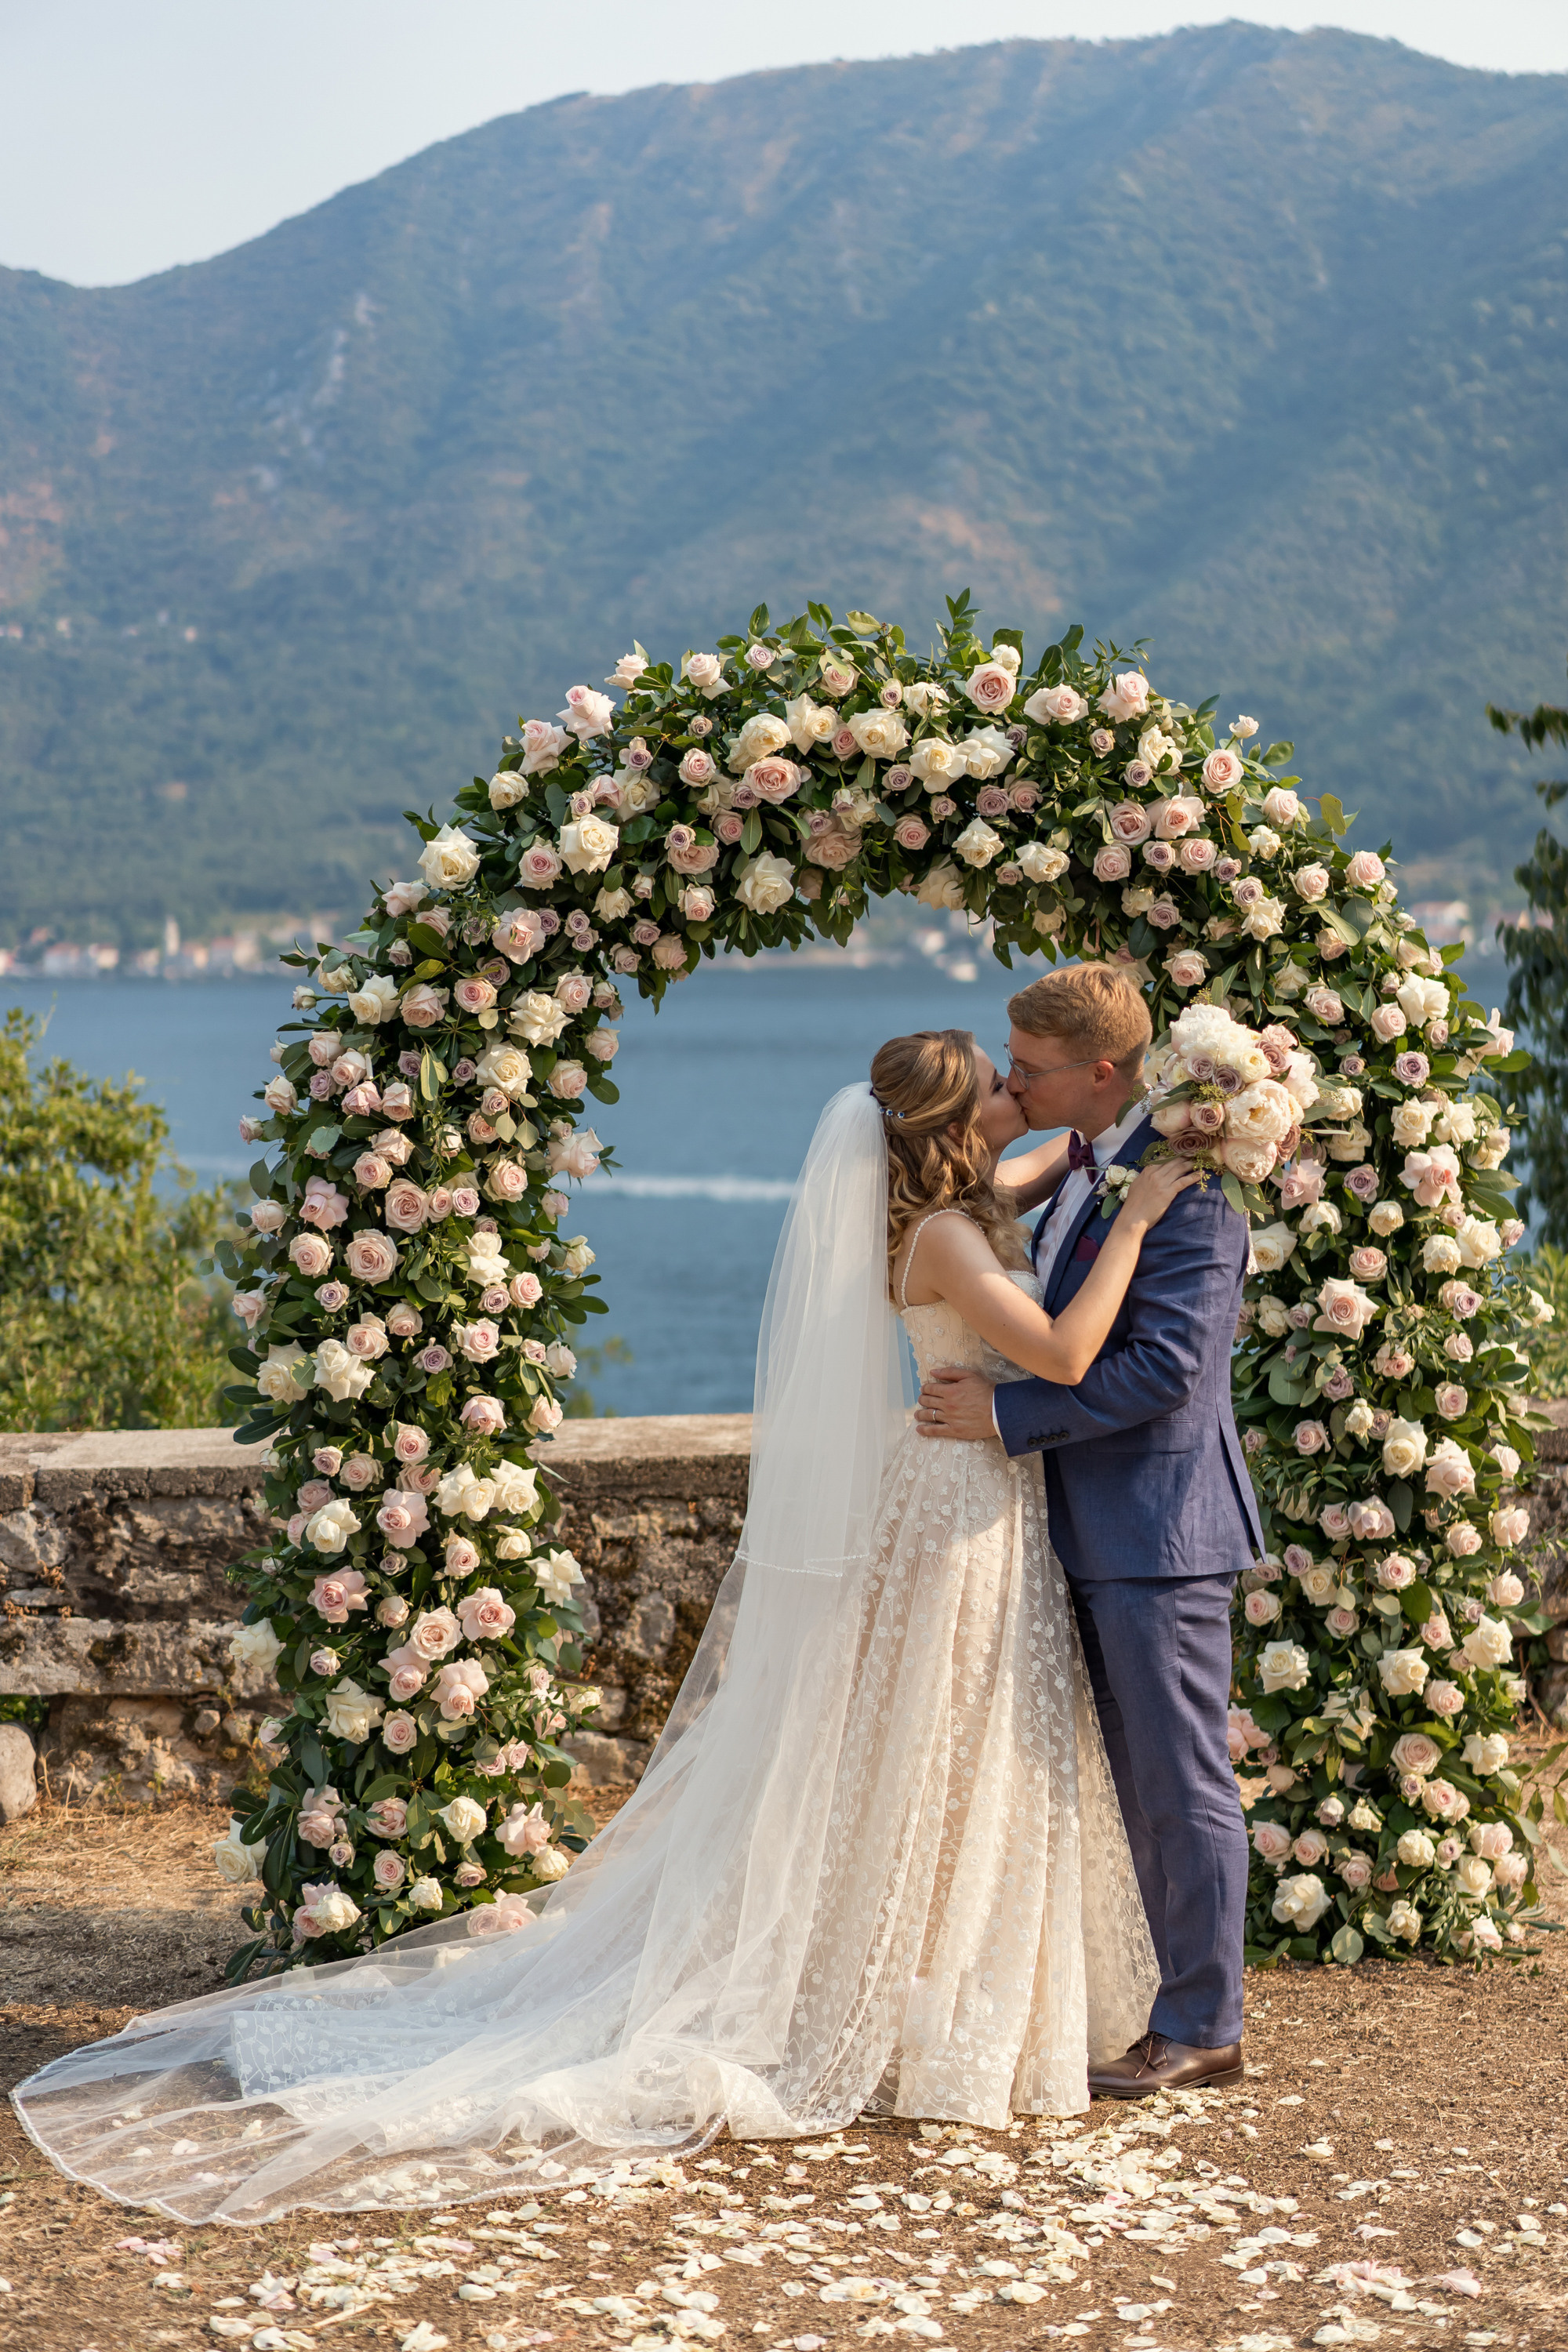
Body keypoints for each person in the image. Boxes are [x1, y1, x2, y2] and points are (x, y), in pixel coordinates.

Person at [12, 1029, 1189, 2224]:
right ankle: (918, 2003)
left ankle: (937, 1993)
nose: (1015, 1091)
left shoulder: (962, 1205)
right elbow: (1065, 1350)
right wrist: (1139, 1219)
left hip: (975, 1497)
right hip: (957, 1509)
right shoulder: (944, 1235)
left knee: (953, 1751)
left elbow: (1035, 1175)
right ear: (951, 1125)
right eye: (997, 1085)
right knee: (946, 1746)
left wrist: (1112, 1144)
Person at [916, 964, 1262, 2099]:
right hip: (1090, 1525)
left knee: (1180, 1782)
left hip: (1159, 1530)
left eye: (1029, 1068)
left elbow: (1167, 1370)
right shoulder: (1090, 1162)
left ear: (1099, 1071)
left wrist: (1006, 1414)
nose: (1013, 1082)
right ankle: (1168, 2004)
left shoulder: (1190, 1190)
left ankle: (1204, 2025)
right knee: (1134, 1783)